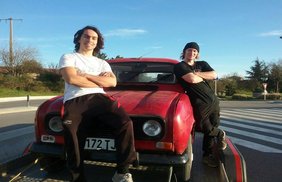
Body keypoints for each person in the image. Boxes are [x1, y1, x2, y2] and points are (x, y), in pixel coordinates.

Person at [59, 25, 137, 182]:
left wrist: (86, 75)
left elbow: (112, 82)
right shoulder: (69, 57)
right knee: (71, 132)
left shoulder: (102, 63)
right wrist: (100, 80)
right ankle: (77, 178)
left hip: (100, 99)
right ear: (79, 38)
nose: (90, 40)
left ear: (97, 42)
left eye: (94, 38)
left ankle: (122, 171)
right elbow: (72, 79)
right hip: (75, 99)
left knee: (125, 122)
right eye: (86, 36)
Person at [173, 42, 227, 168]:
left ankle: (207, 156)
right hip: (199, 102)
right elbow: (191, 80)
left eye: (194, 51)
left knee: (212, 128)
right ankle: (220, 134)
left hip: (213, 100)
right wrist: (203, 76)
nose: (192, 53)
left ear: (197, 54)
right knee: (203, 127)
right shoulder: (180, 66)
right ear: (184, 52)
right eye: (189, 50)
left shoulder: (202, 64)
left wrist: (197, 74)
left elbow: (215, 75)